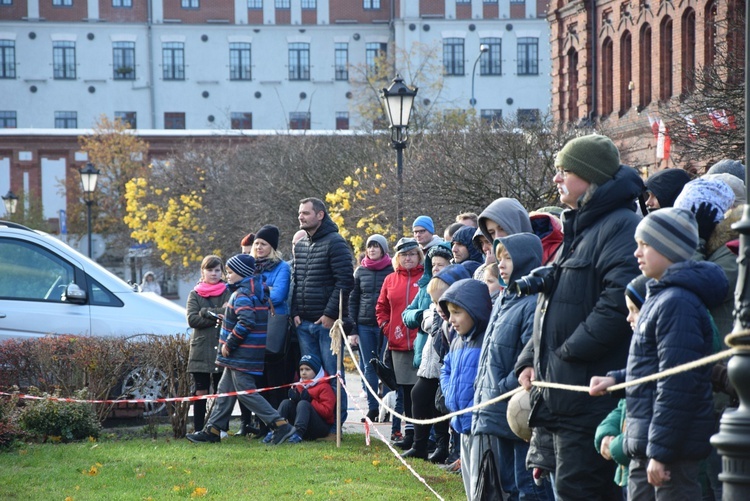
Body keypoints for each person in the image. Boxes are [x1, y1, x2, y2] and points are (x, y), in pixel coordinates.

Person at [515, 134, 644, 500]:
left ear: (590, 177)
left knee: (582, 492)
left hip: (588, 398)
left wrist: (566, 353)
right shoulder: (581, 226)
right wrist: (530, 359)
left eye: (565, 171)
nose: (556, 179)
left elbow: (619, 302)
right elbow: (555, 302)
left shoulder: (620, 226)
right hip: (560, 396)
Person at [589, 208, 728, 500]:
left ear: (670, 249)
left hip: (666, 453)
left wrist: (661, 453)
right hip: (648, 445)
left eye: (645, 245)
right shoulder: (659, 296)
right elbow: (654, 371)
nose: (636, 253)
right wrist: (614, 381)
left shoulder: (677, 303)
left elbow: (677, 385)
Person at [472, 233, 553, 500]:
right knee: (509, 483)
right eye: (500, 256)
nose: (502, 263)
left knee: (527, 486)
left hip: (517, 408)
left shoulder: (531, 303)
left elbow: (528, 356)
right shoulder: (504, 299)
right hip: (497, 409)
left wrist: (502, 389)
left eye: (508, 257)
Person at [186, 254, 297, 445]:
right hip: (244, 353)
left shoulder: (243, 294)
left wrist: (229, 343)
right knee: (224, 390)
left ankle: (280, 425)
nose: (227, 276)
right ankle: (212, 429)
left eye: (230, 272)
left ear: (242, 273)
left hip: (241, 353)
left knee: (247, 393)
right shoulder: (251, 291)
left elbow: (246, 322)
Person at [292, 197, 354, 426]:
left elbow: (346, 281)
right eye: (300, 213)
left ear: (320, 215)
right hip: (304, 324)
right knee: (310, 378)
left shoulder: (336, 242)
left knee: (332, 375)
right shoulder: (300, 245)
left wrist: (330, 315)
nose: (301, 216)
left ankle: (336, 424)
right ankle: (314, 422)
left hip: (327, 325)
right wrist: (295, 312)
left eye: (306, 213)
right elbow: (296, 281)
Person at [438, 278, 492, 500]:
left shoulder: (486, 341)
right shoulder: (458, 340)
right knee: (469, 484)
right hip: (462, 424)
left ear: (474, 310)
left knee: (482, 486)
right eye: (449, 313)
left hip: (480, 425)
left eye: (457, 313)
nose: (451, 320)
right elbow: (446, 368)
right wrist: (450, 394)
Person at [376, 237, 424, 449]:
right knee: (403, 391)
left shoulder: (426, 278)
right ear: (397, 257)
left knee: (420, 391)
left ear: (419, 255)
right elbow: (381, 307)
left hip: (421, 342)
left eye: (412, 253)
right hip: (397, 343)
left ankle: (424, 436)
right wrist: (387, 327)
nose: (408, 258)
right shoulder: (390, 280)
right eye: (404, 254)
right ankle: (409, 433)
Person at [247, 225, 292, 436]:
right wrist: (265, 289)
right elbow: (241, 291)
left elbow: (279, 295)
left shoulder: (282, 267)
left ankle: (278, 423)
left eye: (263, 244)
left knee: (275, 378)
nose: (259, 247)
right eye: (256, 243)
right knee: (258, 377)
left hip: (273, 327)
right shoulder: (248, 266)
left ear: (272, 247)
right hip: (253, 326)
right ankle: (262, 424)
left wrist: (256, 291)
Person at [348, 234, 393, 423]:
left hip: (386, 325)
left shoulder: (392, 269)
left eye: (376, 246)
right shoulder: (360, 272)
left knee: (388, 366)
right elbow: (353, 300)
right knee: (369, 366)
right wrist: (353, 329)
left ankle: (390, 406)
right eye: (369, 246)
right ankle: (373, 407)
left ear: (383, 249)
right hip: (365, 324)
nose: (372, 250)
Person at [186, 255, 232, 433]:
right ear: (202, 271)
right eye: (210, 270)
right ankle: (198, 429)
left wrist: (205, 312)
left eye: (217, 270)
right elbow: (192, 319)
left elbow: (230, 314)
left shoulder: (228, 292)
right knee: (201, 391)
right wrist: (217, 317)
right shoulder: (195, 294)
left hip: (222, 347)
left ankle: (221, 429)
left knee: (223, 391)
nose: (214, 273)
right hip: (201, 350)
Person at [276, 354, 335, 444]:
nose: (303, 373)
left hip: (319, 428)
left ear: (316, 371)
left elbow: (327, 412)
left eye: (307, 369)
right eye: (301, 369)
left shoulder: (324, 387)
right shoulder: (299, 385)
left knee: (303, 404)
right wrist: (295, 399)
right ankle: (276, 430)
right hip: (303, 423)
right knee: (286, 403)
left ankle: (298, 434)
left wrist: (311, 400)